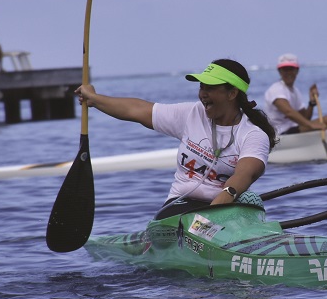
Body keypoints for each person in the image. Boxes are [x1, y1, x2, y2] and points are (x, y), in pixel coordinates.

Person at [75, 58, 278, 219]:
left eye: (210, 88)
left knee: (250, 201)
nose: (203, 94)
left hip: (226, 206)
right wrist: (94, 99)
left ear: (232, 93)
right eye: (201, 87)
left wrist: (214, 213)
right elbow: (136, 110)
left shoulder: (253, 135)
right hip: (181, 206)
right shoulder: (192, 114)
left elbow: (245, 175)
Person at [261, 53, 327, 135]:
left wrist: (311, 103)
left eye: (291, 69)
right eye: (285, 69)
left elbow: (305, 118)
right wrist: (310, 125)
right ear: (279, 71)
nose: (288, 72)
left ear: (297, 71)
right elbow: (288, 112)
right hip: (280, 134)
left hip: (294, 130)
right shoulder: (276, 89)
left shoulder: (295, 91)